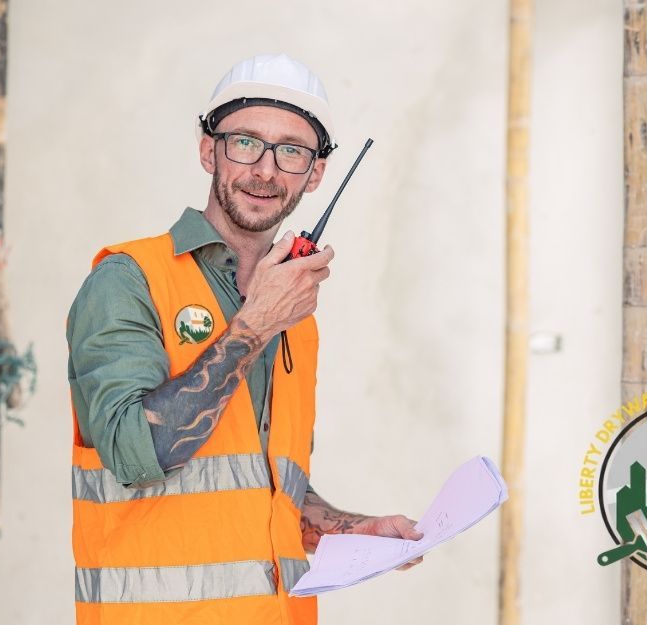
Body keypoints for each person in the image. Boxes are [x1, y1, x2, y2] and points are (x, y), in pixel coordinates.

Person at [66, 53, 422, 625]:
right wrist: (255, 325)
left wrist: (353, 529)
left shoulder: (293, 316)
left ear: (315, 175)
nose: (265, 170)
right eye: (245, 143)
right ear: (209, 151)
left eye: (291, 151)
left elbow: (255, 485)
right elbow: (138, 454)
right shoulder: (129, 279)